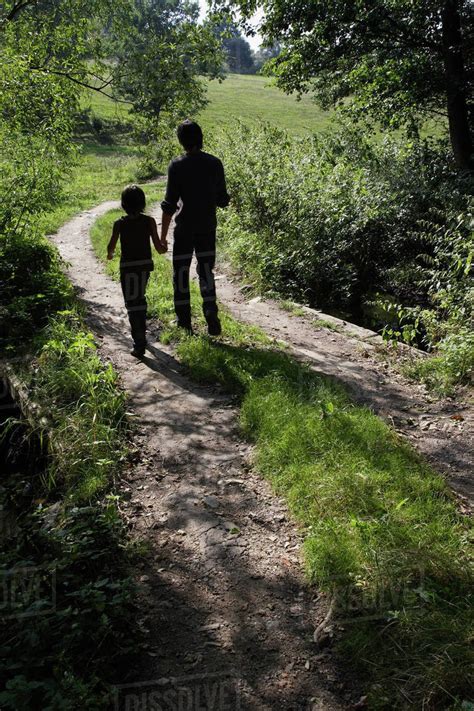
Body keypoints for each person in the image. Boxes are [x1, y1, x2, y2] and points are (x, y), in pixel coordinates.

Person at [160, 120, 230, 336]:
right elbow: (222, 200)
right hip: (207, 228)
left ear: (181, 140)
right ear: (200, 137)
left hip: (184, 230)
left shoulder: (177, 165)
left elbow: (169, 204)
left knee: (181, 273)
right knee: (206, 271)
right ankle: (210, 310)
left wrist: (162, 237)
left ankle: (184, 322)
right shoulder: (214, 163)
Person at [107, 185, 166, 358]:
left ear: (123, 204)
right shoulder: (149, 221)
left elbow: (111, 246)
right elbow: (159, 248)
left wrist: (110, 255)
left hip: (127, 268)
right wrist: (164, 245)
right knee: (139, 297)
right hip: (144, 267)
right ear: (143, 203)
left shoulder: (119, 224)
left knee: (131, 303)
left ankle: (139, 343)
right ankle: (142, 333)